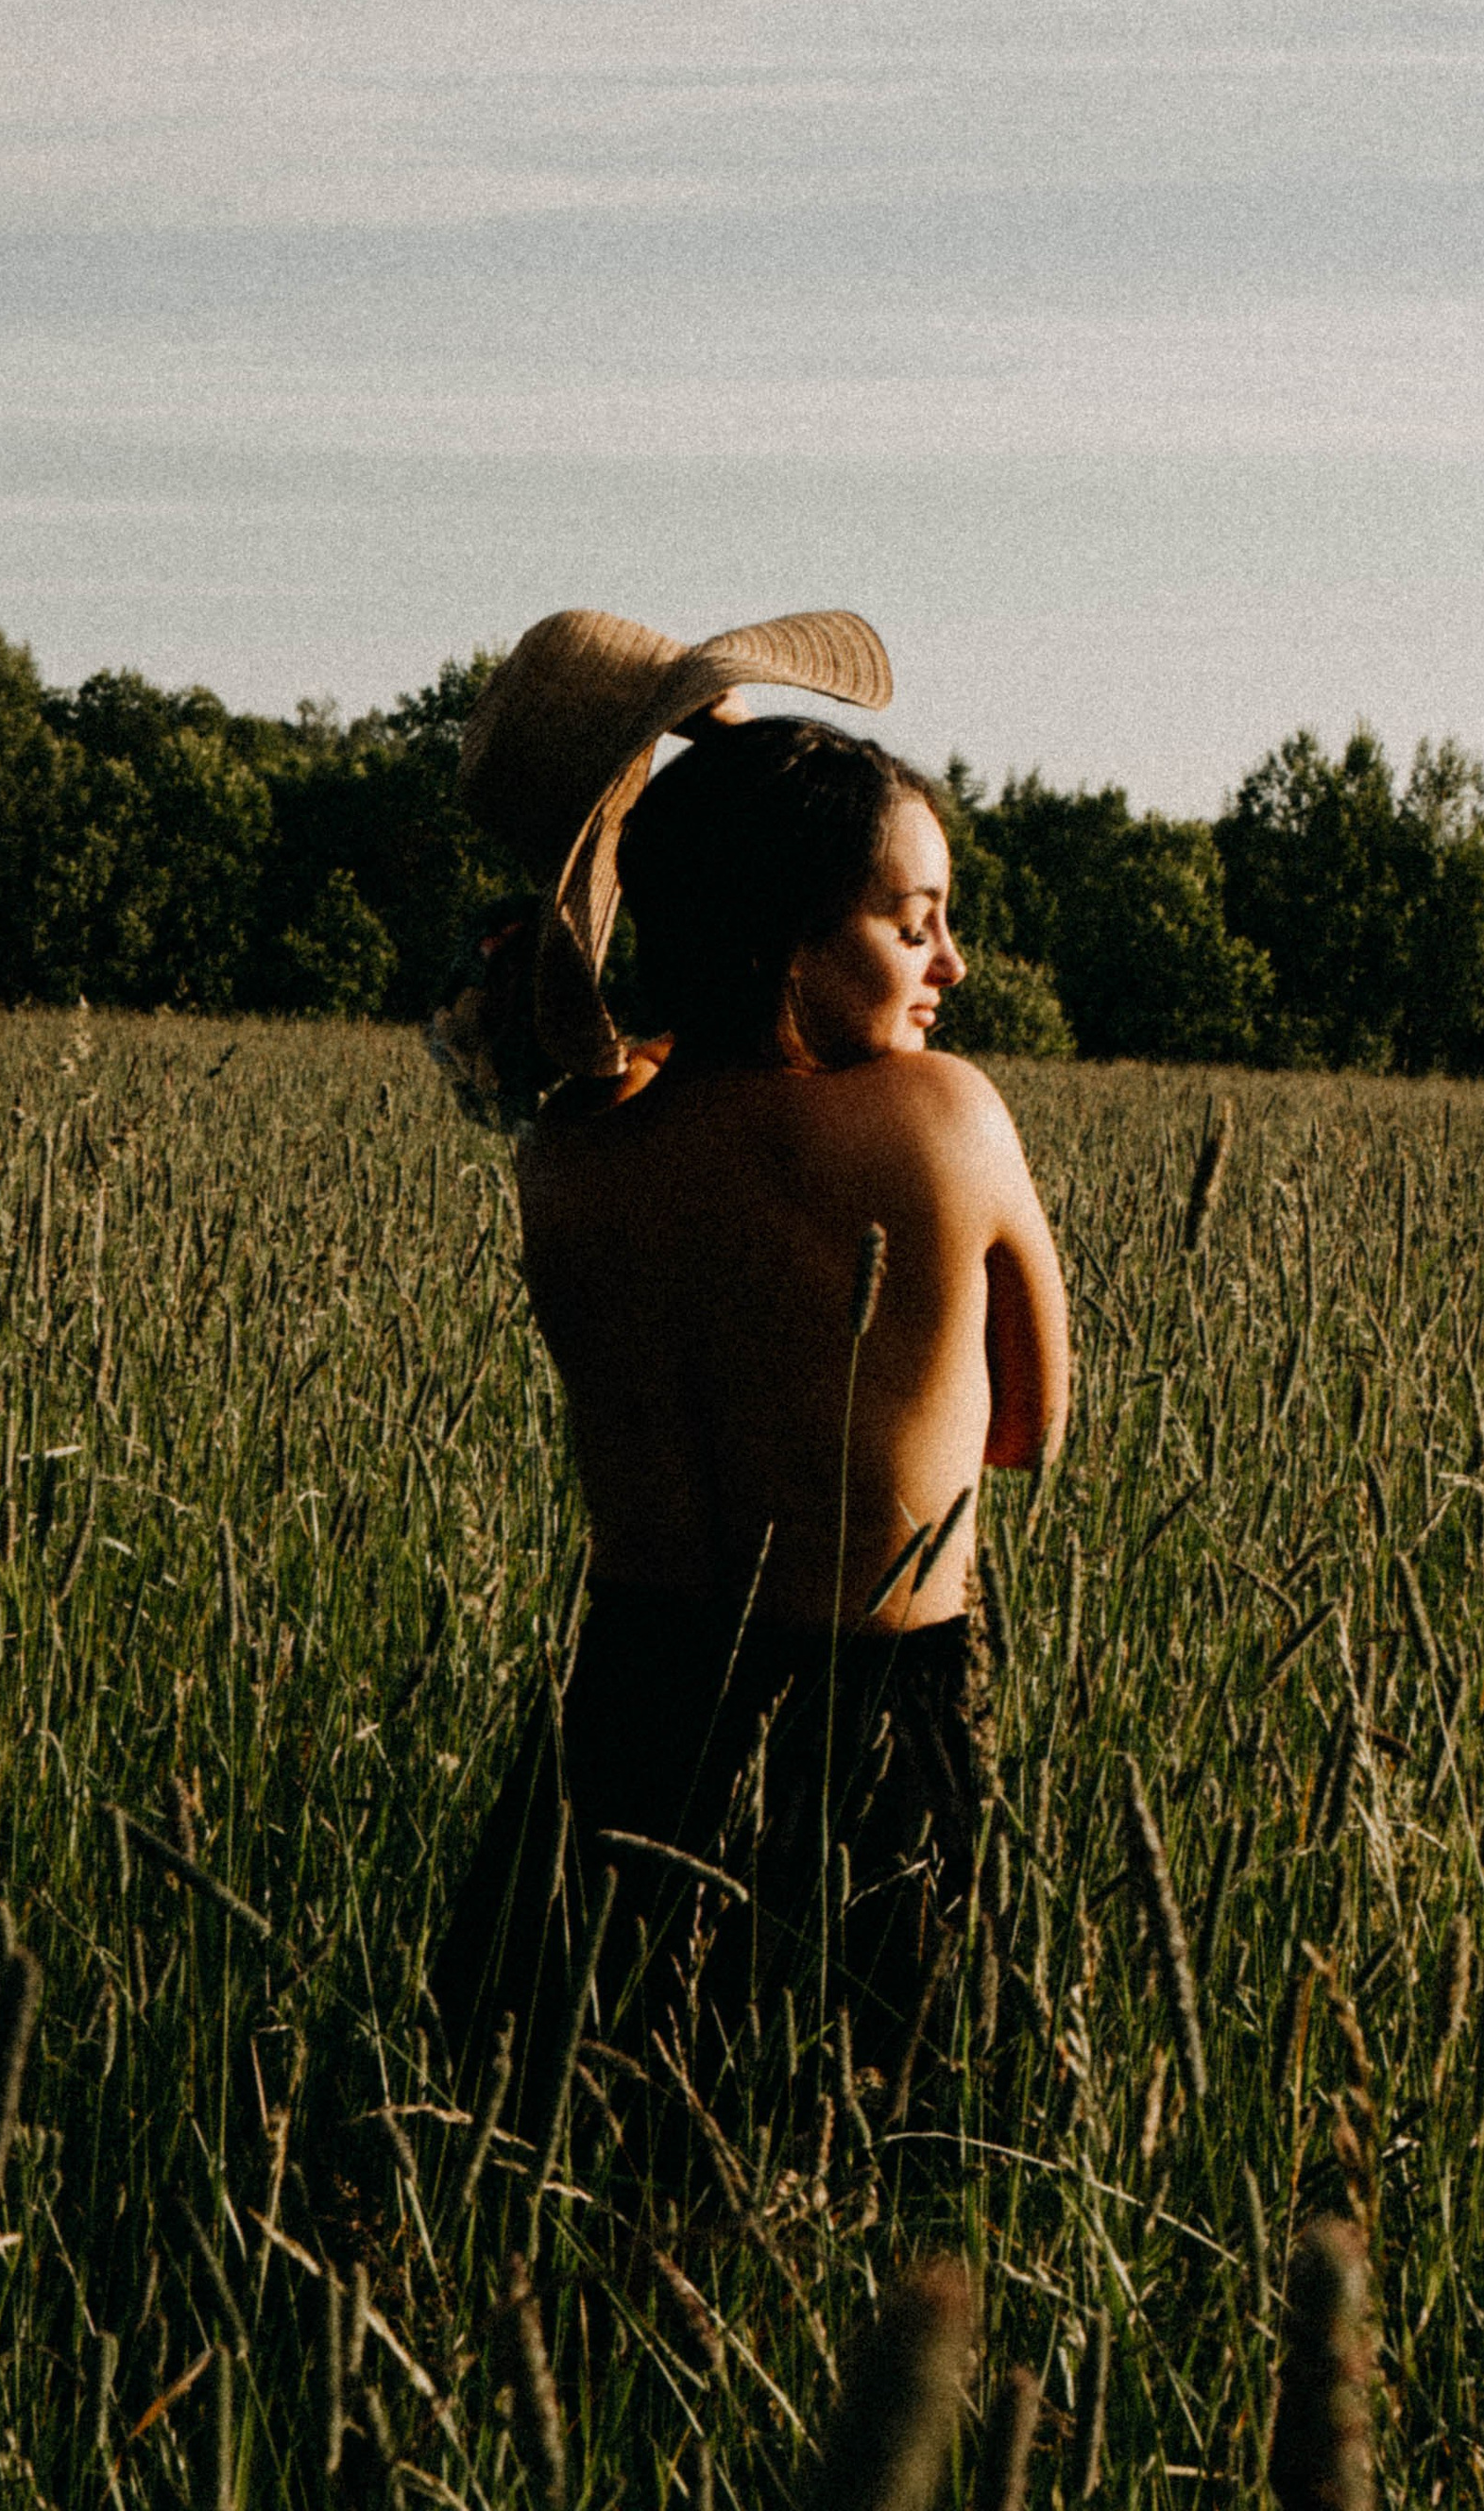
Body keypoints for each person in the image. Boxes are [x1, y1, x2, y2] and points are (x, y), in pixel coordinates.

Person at [424, 606, 1069, 2168]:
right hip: (873, 1740)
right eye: (911, 921)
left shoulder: (571, 1154)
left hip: (625, 1729)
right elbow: (1030, 1426)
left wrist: (720, 822)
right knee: (872, 2202)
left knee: (564, 2189)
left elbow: (623, 1053)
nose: (950, 964)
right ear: (796, 927)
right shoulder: (942, 1121)